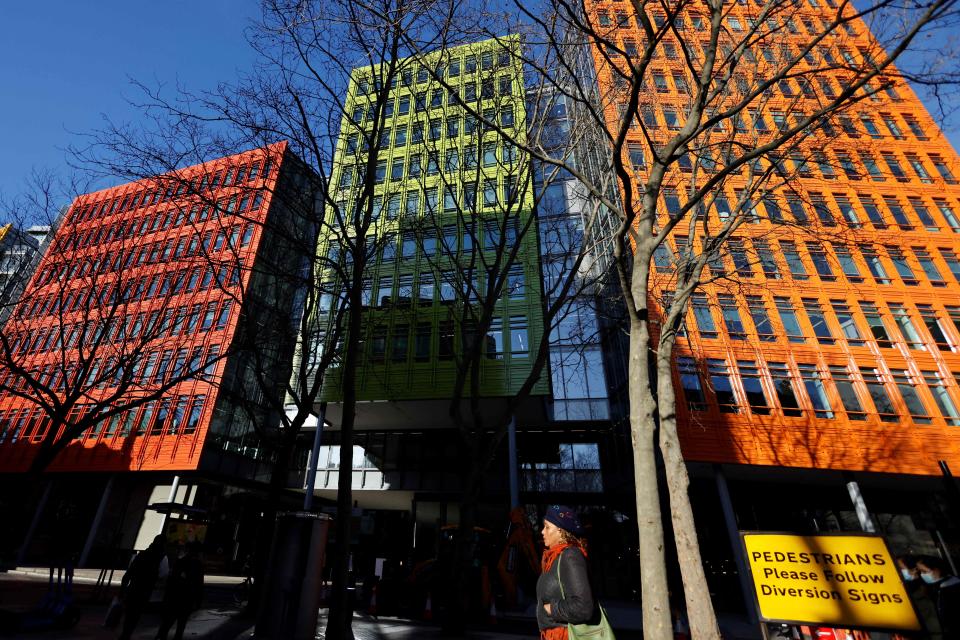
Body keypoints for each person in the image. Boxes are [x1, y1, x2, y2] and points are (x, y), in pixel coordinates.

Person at [536, 505, 596, 640]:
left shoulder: (570, 556)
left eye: (547, 527)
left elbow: (583, 607)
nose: (542, 532)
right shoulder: (555, 558)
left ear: (561, 531)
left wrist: (549, 609)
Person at [119, 534, 167, 640]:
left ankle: (125, 634)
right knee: (135, 615)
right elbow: (163, 574)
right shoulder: (162, 557)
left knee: (129, 614)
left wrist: (122, 590)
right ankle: (127, 634)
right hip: (145, 590)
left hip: (133, 586)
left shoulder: (141, 554)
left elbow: (129, 572)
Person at [155, 541, 204, 640]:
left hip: (175, 597)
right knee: (181, 626)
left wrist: (166, 598)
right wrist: (198, 602)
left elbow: (171, 581)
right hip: (187, 599)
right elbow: (199, 585)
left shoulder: (180, 561)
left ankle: (160, 637)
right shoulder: (198, 564)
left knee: (167, 622)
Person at [916, 556, 960, 638]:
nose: (922, 575)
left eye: (924, 571)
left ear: (937, 570)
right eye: (920, 572)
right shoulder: (936, 587)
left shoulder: (953, 588)